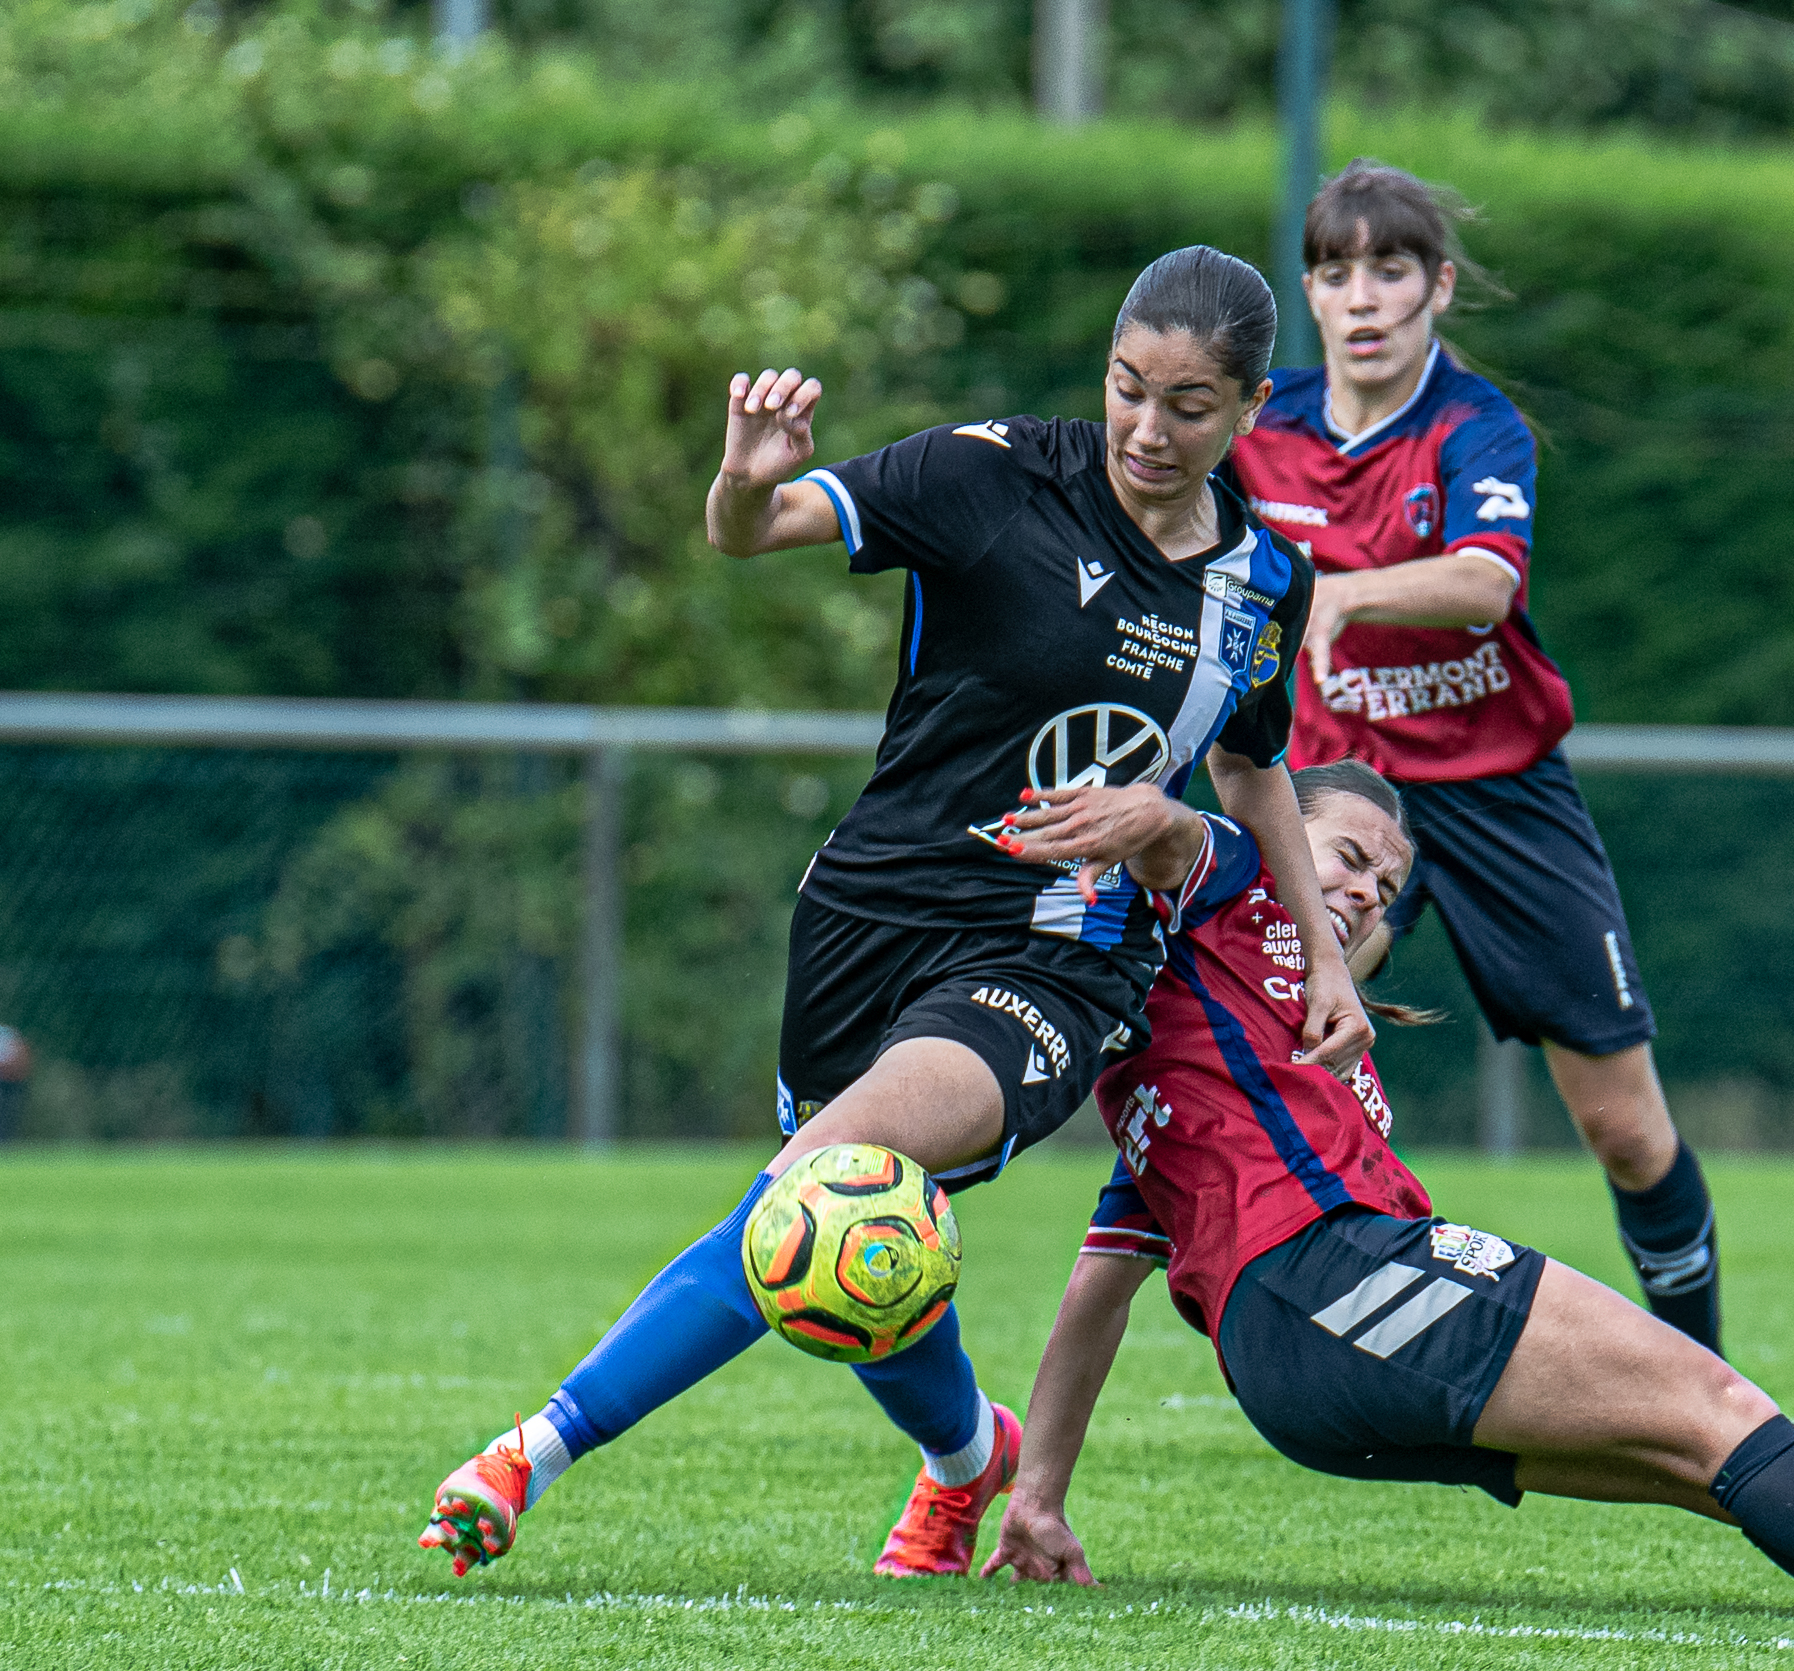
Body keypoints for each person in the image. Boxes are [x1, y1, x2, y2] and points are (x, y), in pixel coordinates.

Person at [418, 245, 1374, 1580]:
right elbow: (752, 530)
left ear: (1251, 406)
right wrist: (742, 479)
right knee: (851, 1234)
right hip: (869, 913)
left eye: (1188, 405)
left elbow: (1254, 768)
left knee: (819, 1184)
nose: (1147, 430)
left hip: (1056, 949)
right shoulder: (990, 473)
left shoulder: (1261, 581)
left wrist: (1325, 957)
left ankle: (534, 1448)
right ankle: (967, 1458)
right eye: (1127, 387)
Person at [976, 763, 1794, 1629]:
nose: (1360, 893)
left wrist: (1037, 1502)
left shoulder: (1224, 1039)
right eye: (1345, 859)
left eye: (1385, 885)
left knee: (1705, 1460)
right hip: (1339, 1281)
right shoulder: (1239, 905)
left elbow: (1100, 1284)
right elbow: (1182, 834)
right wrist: (1141, 805)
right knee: (1720, 1408)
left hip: (1293, 1365)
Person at [1224, 159, 1726, 1353]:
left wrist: (1343, 594)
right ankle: (1287, 1326)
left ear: (1437, 287)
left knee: (1623, 1129)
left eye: (1389, 269)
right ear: (1309, 291)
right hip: (1347, 789)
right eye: (1334, 272)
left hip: (1499, 793)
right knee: (1271, 1037)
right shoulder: (1263, 427)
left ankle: (1707, 1385)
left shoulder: (1473, 425)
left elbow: (1483, 583)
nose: (1361, 297)